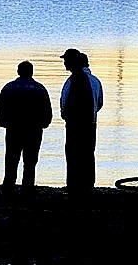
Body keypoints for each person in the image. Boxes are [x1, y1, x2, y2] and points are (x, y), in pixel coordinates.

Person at [0, 60, 53, 196]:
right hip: (34, 130)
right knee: (30, 161)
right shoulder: (40, 89)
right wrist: (44, 123)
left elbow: (0, 109)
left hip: (13, 129)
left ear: (18, 72)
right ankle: (27, 188)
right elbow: (47, 111)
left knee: (11, 160)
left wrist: (3, 122)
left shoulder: (9, 88)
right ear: (31, 72)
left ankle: (8, 187)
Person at [59, 48, 103, 196]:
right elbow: (100, 103)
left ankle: (73, 185)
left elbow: (64, 102)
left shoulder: (71, 81)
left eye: (66, 60)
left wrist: (65, 115)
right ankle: (88, 185)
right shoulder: (95, 81)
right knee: (88, 154)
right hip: (91, 123)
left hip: (74, 125)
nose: (64, 63)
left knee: (72, 155)